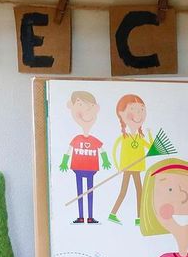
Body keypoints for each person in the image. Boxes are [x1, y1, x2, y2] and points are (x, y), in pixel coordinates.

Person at [59, 91, 111, 224]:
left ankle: (90, 216)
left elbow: (102, 150)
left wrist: (105, 160)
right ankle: (81, 216)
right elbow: (68, 151)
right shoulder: (76, 138)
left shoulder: (94, 139)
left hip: (91, 169)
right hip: (77, 167)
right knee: (80, 193)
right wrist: (64, 162)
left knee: (89, 192)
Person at [108, 94, 153, 226]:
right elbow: (115, 151)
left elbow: (150, 148)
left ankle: (139, 218)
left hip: (137, 168)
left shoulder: (139, 138)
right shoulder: (124, 137)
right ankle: (113, 214)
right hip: (127, 168)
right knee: (124, 191)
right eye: (133, 109)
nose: (138, 113)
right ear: (121, 114)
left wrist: (150, 134)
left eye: (141, 110)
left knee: (140, 191)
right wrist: (118, 167)